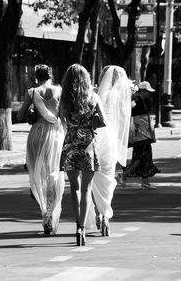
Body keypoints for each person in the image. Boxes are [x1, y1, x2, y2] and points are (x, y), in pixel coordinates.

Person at [59, 63, 107, 246]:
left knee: (74, 188)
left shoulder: (64, 99)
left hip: (70, 144)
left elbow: (60, 119)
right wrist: (92, 120)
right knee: (87, 188)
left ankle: (77, 226)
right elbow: (103, 121)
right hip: (88, 145)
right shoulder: (93, 97)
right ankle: (83, 229)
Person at [17, 64, 65, 236]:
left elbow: (20, 116)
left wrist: (32, 109)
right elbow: (63, 116)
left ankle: (44, 212)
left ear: (37, 76)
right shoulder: (59, 91)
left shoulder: (32, 92)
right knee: (54, 174)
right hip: (56, 135)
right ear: (51, 75)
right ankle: (51, 214)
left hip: (37, 134)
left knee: (39, 175)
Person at [88, 65, 132, 236]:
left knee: (92, 176)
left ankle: (99, 214)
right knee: (107, 176)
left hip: (97, 136)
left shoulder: (95, 94)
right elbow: (124, 117)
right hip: (112, 138)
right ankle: (105, 214)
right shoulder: (121, 96)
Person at [117, 81, 160, 189]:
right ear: (143, 91)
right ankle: (124, 175)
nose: (149, 94)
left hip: (142, 133)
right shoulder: (137, 99)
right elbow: (130, 107)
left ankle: (144, 182)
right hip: (140, 133)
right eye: (148, 92)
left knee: (144, 157)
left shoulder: (141, 100)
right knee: (141, 157)